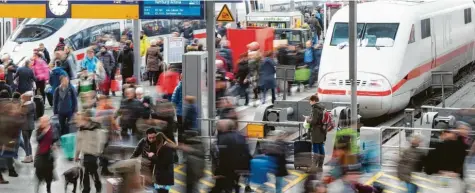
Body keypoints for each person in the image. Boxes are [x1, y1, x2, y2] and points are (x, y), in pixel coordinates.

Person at [131, 128, 178, 193]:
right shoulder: (143, 142)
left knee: (159, 190)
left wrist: (152, 156)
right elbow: (135, 154)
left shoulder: (161, 144)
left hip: (158, 172)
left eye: (153, 137)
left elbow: (163, 160)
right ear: (147, 136)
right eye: (150, 138)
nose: (152, 139)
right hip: (147, 171)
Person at [211, 119, 251, 193]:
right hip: (238, 168)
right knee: (232, 185)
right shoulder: (240, 136)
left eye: (219, 126)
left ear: (224, 128)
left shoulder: (223, 138)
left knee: (222, 187)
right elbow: (246, 152)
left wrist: (219, 172)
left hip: (226, 170)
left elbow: (221, 156)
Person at [74, 113, 102, 193]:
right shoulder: (80, 130)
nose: (76, 122)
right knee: (86, 174)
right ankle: (87, 189)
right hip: (85, 156)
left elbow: (99, 141)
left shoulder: (95, 128)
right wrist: (76, 156)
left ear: (84, 120)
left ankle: (97, 188)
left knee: (94, 174)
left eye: (78, 120)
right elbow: (78, 145)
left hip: (93, 155)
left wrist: (98, 153)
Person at [34, 116, 58, 193]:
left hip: (49, 154)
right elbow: (38, 139)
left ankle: (48, 189)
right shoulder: (39, 130)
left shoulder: (53, 129)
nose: (43, 123)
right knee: (38, 171)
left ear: (48, 121)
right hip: (40, 153)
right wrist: (44, 132)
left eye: (45, 121)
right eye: (42, 121)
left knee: (49, 173)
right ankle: (38, 186)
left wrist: (53, 144)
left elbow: (55, 137)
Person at [305, 95, 326, 170]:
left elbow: (314, 121)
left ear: (313, 100)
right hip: (322, 131)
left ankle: (313, 167)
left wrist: (307, 119)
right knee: (321, 147)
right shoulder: (322, 107)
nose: (309, 102)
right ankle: (320, 166)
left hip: (316, 131)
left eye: (310, 101)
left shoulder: (315, 109)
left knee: (315, 149)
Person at [20, 91, 36, 163]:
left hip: (25, 126)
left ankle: (27, 156)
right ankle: (30, 156)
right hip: (31, 125)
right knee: (28, 141)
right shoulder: (33, 104)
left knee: (26, 142)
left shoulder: (24, 106)